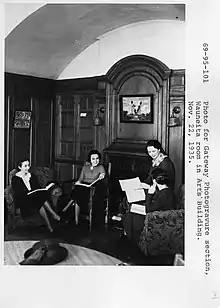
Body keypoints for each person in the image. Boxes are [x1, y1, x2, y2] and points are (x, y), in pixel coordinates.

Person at [122, 168, 177, 244]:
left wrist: (149, 194)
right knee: (132, 211)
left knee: (129, 216)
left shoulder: (163, 194)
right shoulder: (167, 191)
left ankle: (133, 241)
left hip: (157, 220)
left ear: (154, 181)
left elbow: (148, 210)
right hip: (162, 216)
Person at [11, 158, 63, 233]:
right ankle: (54, 217)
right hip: (23, 200)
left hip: (34, 198)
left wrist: (42, 189)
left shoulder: (32, 176)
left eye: (28, 165)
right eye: (25, 166)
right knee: (40, 201)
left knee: (40, 200)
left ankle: (50, 227)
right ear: (19, 167)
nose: (28, 168)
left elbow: (37, 188)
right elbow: (19, 193)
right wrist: (30, 191)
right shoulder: (16, 178)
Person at [66, 149, 106, 226]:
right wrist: (78, 182)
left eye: (97, 158)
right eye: (93, 159)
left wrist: (102, 175)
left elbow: (103, 174)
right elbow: (81, 179)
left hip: (93, 187)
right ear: (90, 159)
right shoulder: (85, 167)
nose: (95, 161)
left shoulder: (101, 167)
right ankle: (76, 221)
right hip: (83, 185)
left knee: (78, 195)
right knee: (78, 190)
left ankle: (67, 207)